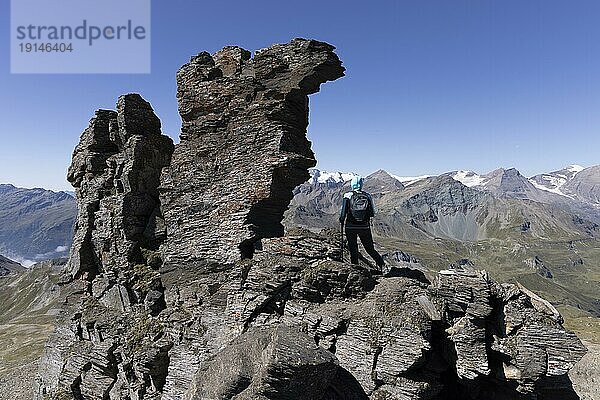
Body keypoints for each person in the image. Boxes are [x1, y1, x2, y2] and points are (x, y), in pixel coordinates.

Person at [339, 176, 385, 268]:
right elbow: (372, 213)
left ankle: (355, 268)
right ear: (361, 184)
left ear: (352, 185)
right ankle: (382, 265)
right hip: (364, 227)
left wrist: (342, 220)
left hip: (350, 226)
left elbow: (343, 213)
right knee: (370, 249)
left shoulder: (347, 196)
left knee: (353, 248)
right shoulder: (367, 196)